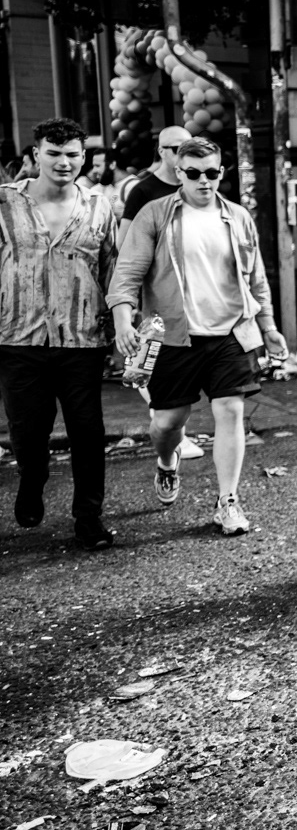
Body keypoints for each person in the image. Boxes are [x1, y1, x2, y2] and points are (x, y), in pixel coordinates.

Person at [107, 137, 288, 537]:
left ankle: (228, 502)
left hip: (230, 333)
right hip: (174, 335)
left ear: (221, 172)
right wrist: (123, 319)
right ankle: (167, 461)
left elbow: (256, 279)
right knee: (169, 422)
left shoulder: (238, 217)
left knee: (230, 411)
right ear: (178, 173)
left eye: (211, 173)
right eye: (194, 173)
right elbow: (127, 273)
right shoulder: (156, 215)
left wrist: (270, 327)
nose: (204, 181)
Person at [0, 117, 117, 549]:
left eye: (72, 154)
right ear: (36, 155)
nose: (63, 162)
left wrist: (122, 326)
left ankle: (89, 519)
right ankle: (33, 479)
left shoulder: (100, 206)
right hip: (17, 338)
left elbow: (112, 270)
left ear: (83, 157)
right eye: (53, 153)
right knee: (27, 435)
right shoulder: (5, 203)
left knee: (88, 433)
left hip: (82, 340)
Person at [116, 126, 203, 461]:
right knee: (146, 361)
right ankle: (168, 430)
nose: (185, 152)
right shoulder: (144, 191)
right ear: (163, 151)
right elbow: (124, 245)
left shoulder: (198, 187)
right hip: (152, 295)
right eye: (178, 147)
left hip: (192, 299)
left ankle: (173, 431)